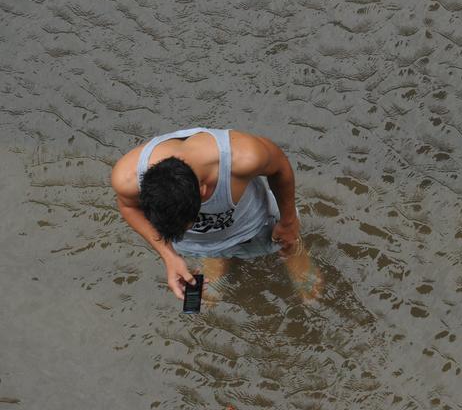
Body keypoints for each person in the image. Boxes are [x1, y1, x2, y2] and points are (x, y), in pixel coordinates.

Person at [111, 127, 321, 303]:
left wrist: (289, 222)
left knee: (288, 242)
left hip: (254, 223)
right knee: (202, 298)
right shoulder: (128, 179)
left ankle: (291, 252)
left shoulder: (243, 157)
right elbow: (128, 207)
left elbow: (280, 167)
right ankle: (215, 256)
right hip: (201, 243)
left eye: (189, 223)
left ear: (203, 190)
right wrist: (169, 255)